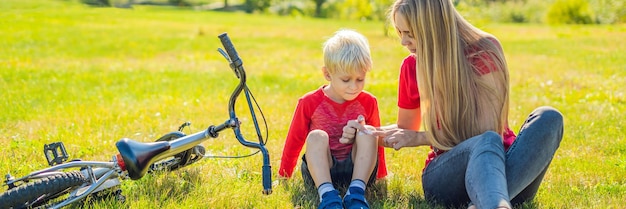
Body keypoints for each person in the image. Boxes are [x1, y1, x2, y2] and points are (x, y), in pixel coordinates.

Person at [344, 0, 564, 208]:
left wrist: (421, 137)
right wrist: (368, 133)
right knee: (485, 143)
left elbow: (487, 131)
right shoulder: (412, 66)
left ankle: (487, 202)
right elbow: (406, 128)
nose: (403, 42)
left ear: (434, 27)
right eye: (400, 33)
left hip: (511, 169)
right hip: (449, 175)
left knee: (549, 118)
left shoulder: (483, 51)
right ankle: (494, 203)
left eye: (410, 34)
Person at [278, 29, 388, 209]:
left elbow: (378, 143)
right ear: (328, 74)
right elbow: (294, 140)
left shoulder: (369, 101)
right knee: (316, 136)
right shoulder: (309, 102)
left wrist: (380, 174)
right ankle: (328, 195)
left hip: (358, 170)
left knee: (368, 132)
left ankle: (356, 193)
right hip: (321, 170)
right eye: (346, 80)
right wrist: (284, 175)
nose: (354, 86)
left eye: (360, 79)